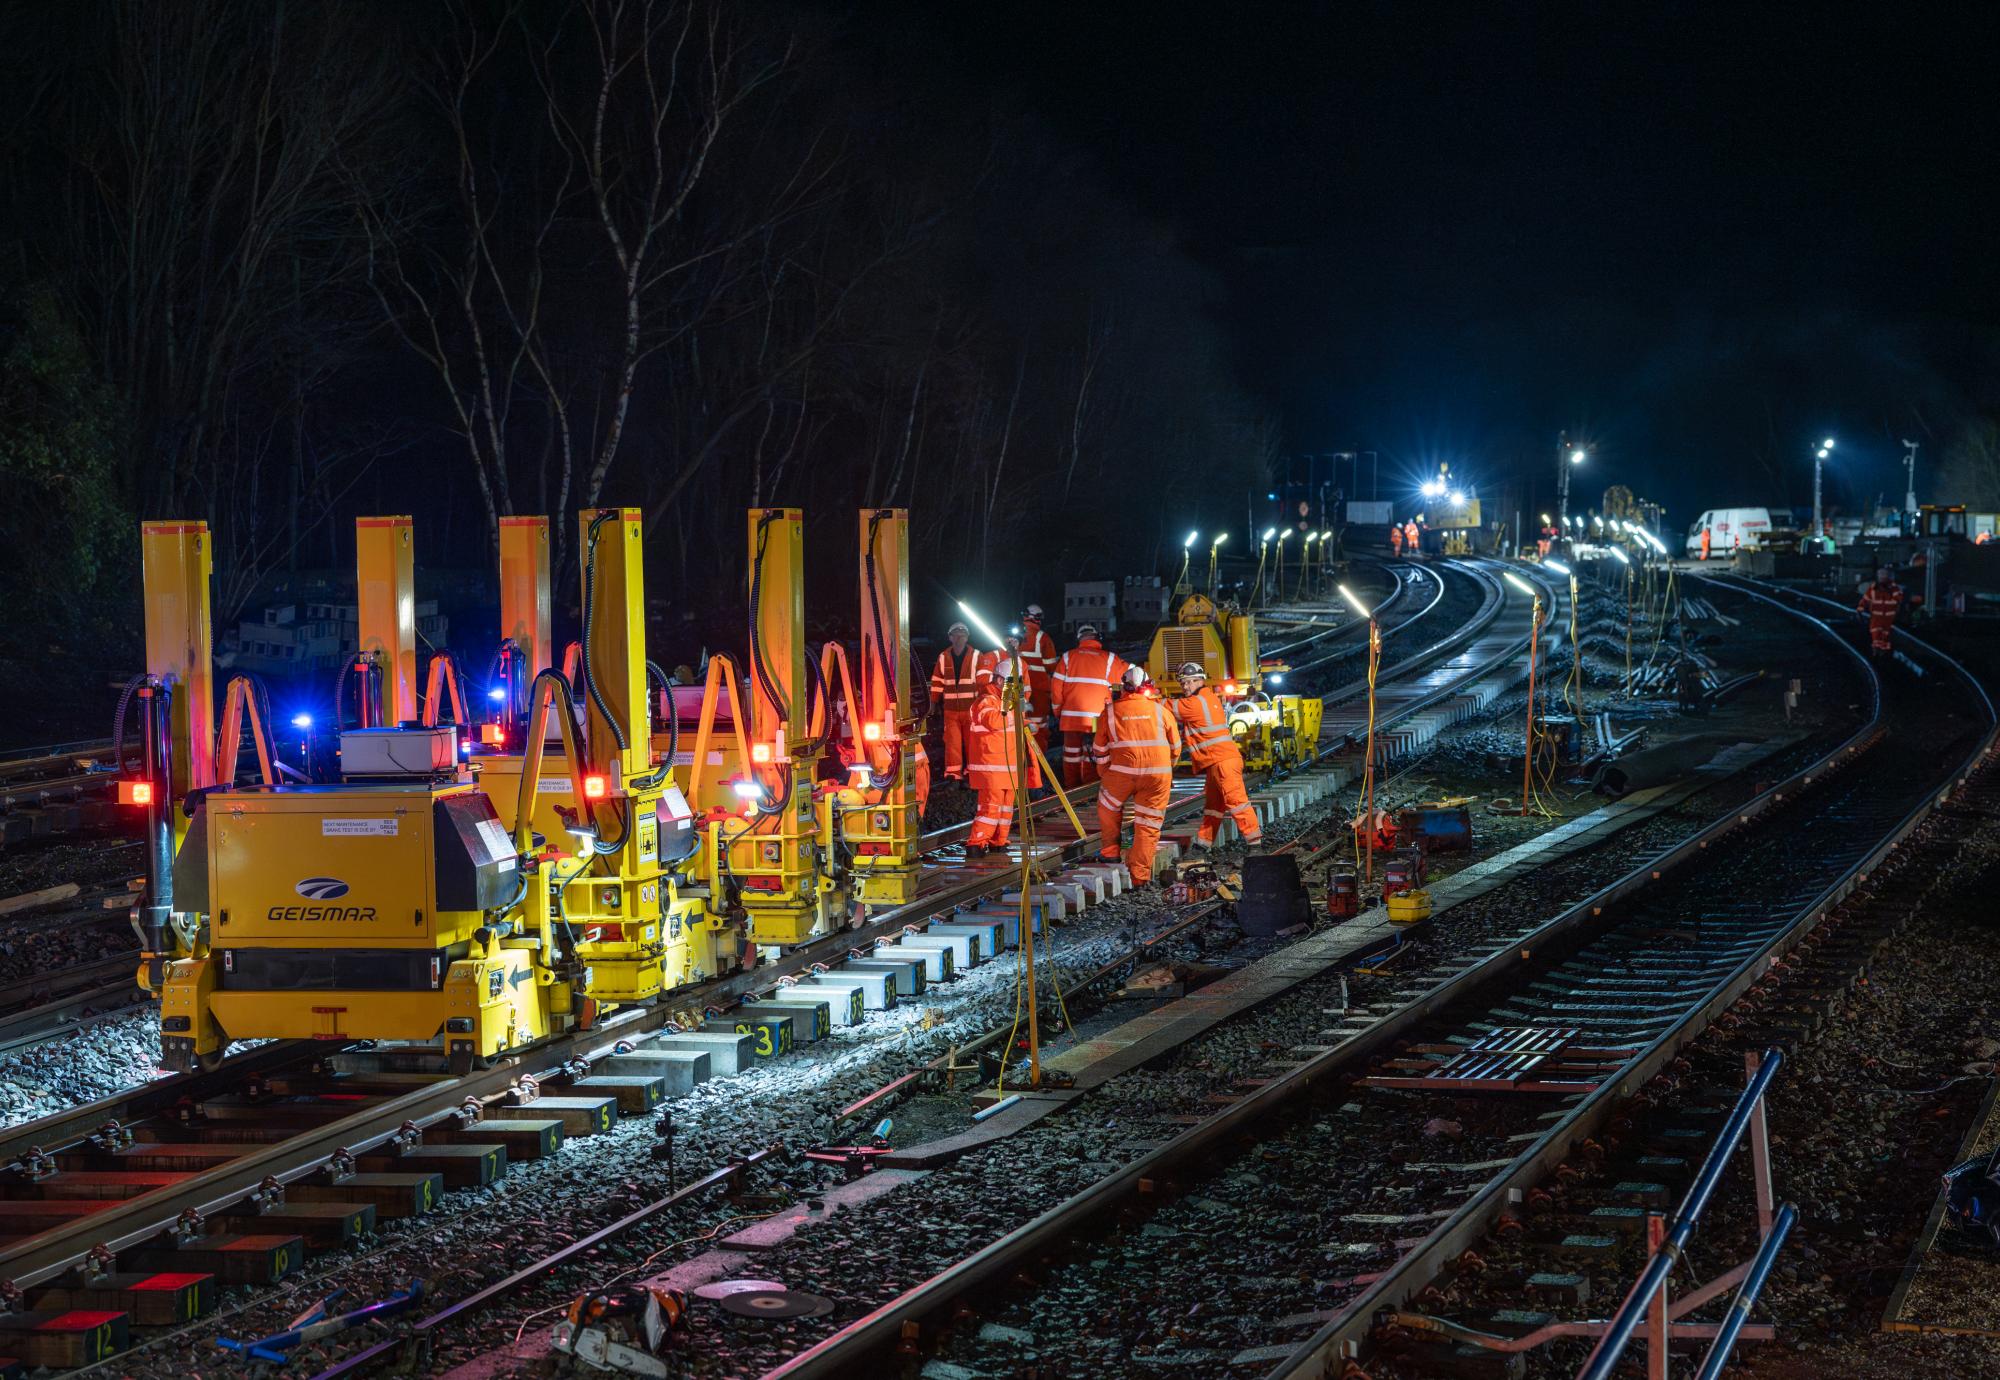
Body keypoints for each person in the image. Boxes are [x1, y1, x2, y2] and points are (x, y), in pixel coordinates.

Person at [1093, 665, 1181, 885]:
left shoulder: (1110, 712)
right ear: (1148, 687)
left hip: (1122, 774)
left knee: (1108, 806)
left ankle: (1111, 852)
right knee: (1148, 824)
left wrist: (1105, 774)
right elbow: (1176, 747)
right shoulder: (1162, 711)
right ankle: (1139, 877)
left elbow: (1099, 750)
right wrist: (1165, 769)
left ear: (1124, 687)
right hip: (1157, 776)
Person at [1169, 662, 1262, 853]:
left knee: (1236, 802)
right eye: (1183, 683)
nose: (1185, 687)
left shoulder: (1195, 703)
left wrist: (1143, 699)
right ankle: (1203, 844)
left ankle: (1255, 844)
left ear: (1200, 680)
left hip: (1222, 761)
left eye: (1189, 682)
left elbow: (1167, 707)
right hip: (1217, 761)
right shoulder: (1207, 698)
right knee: (1213, 805)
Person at [966, 657, 1038, 854]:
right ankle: (976, 843)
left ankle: (999, 840)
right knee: (990, 807)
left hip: (1006, 765)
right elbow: (995, 722)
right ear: (1000, 681)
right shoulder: (985, 701)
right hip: (991, 766)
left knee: (1006, 807)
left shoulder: (1003, 702)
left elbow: (1009, 724)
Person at [1051, 624, 1130, 787]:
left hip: (1071, 718)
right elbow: (1128, 677)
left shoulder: (1067, 657)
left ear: (1079, 638)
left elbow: (1056, 688)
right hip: (1097, 718)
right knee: (1095, 753)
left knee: (1071, 754)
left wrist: (1058, 711)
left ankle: (1071, 789)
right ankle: (1090, 788)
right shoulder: (1109, 659)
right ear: (1097, 638)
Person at [928, 622, 984, 781]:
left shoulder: (977, 656)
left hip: (971, 709)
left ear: (967, 637)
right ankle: (953, 776)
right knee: (952, 745)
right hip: (951, 711)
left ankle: (973, 774)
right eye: (956, 634)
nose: (960, 637)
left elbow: (983, 681)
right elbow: (937, 681)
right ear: (950, 637)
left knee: (972, 744)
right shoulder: (943, 657)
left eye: (963, 634)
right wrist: (934, 702)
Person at [1017, 604, 1057, 749]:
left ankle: (1021, 757)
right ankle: (1038, 761)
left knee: (1018, 722)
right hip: (1039, 689)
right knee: (1038, 725)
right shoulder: (1043, 638)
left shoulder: (1013, 636)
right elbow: (1051, 665)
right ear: (1038, 618)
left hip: (1018, 688)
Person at [1858, 567, 1905, 660]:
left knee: (1885, 634)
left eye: (1884, 574)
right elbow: (1865, 599)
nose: (1882, 576)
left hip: (1889, 616)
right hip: (1876, 616)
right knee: (1875, 632)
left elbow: (1899, 600)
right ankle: (1876, 651)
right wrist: (1860, 609)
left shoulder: (1894, 588)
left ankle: (1884, 653)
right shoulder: (1873, 588)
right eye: (1880, 574)